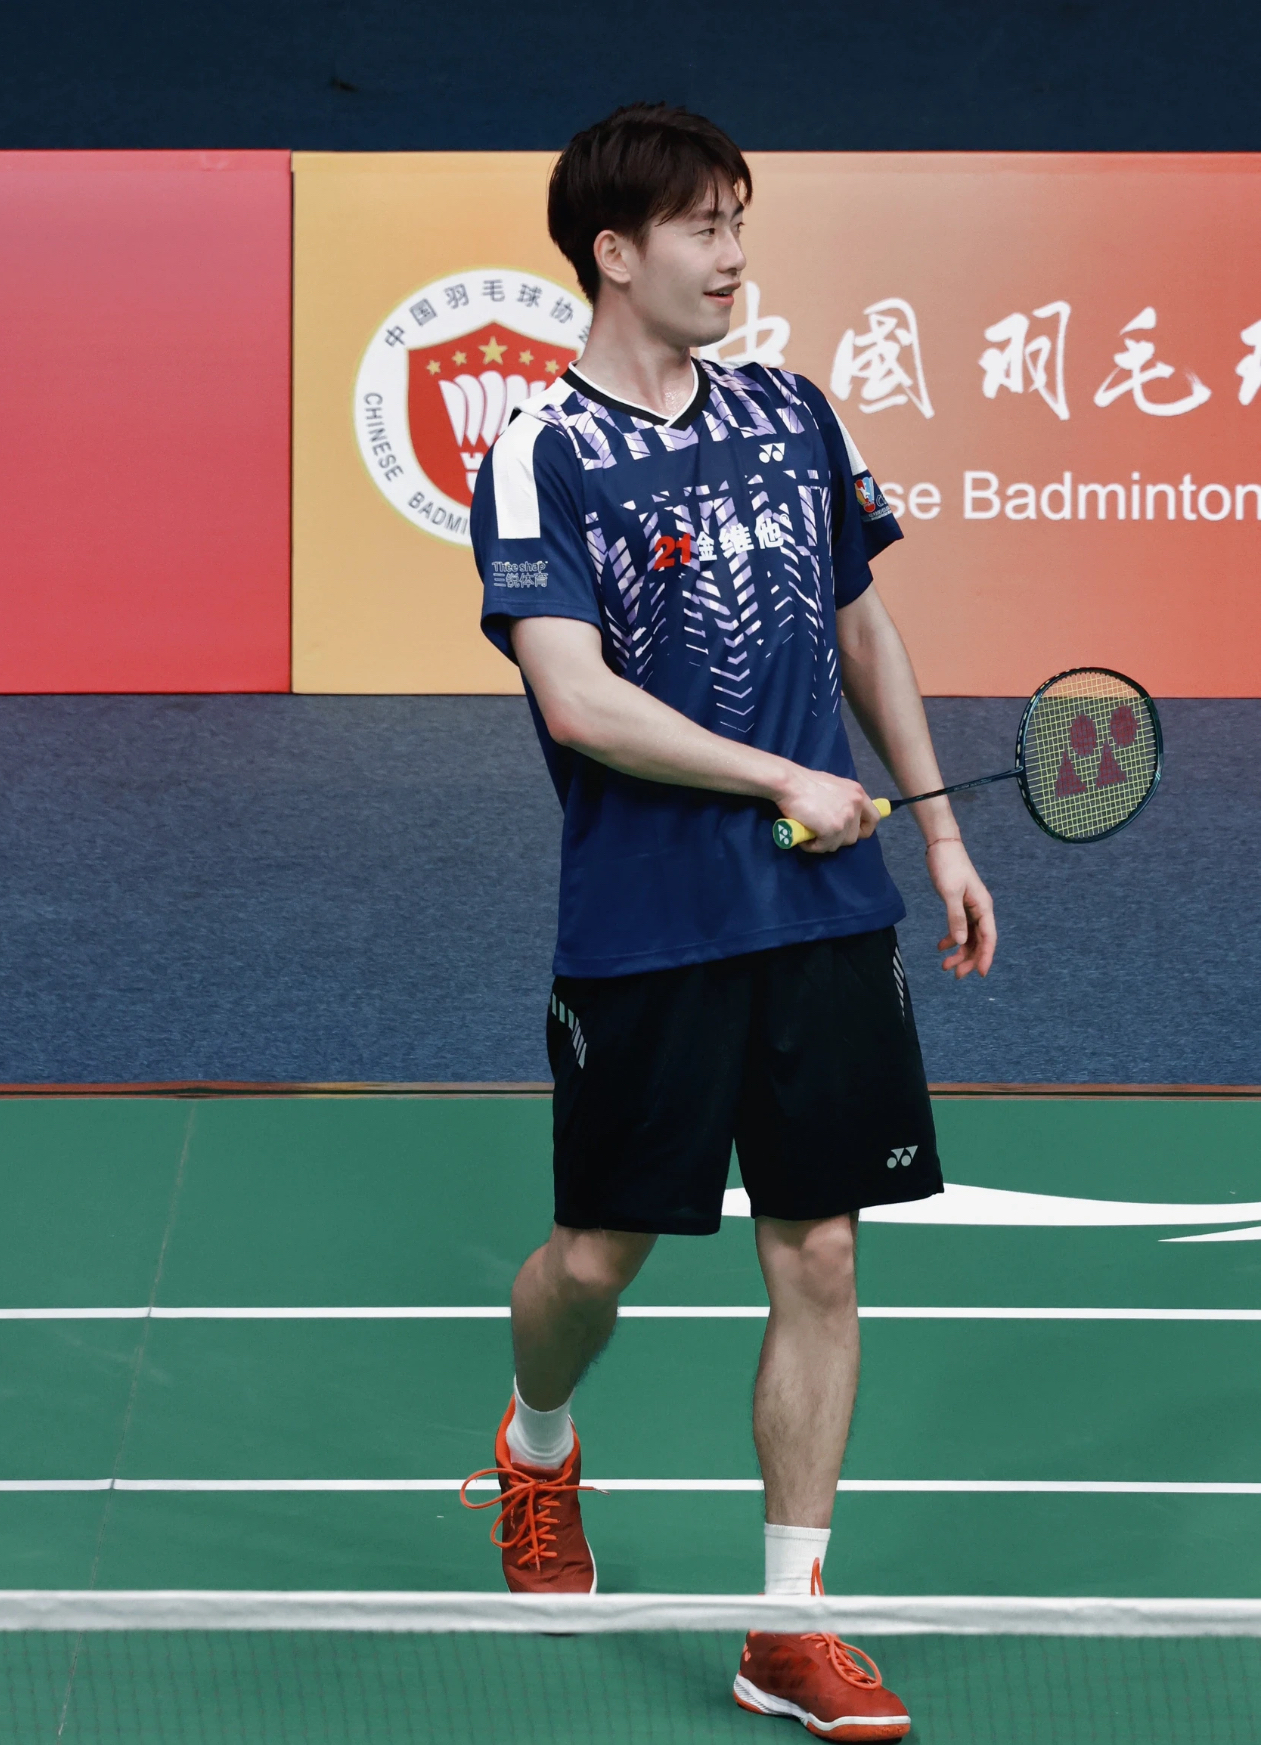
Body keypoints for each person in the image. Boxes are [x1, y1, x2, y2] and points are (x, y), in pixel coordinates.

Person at [462, 102, 996, 1739]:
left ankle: (788, 1623)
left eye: (739, 221)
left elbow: (861, 625)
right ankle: (537, 1443)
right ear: (613, 253)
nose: (733, 255)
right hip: (649, 922)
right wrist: (780, 773)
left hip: (823, 909)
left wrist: (937, 826)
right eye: (702, 227)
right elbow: (574, 698)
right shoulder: (541, 452)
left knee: (818, 1248)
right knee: (597, 1254)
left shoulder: (788, 411)